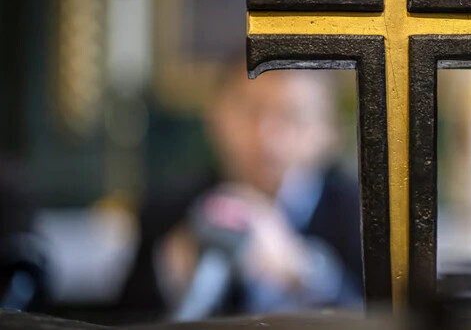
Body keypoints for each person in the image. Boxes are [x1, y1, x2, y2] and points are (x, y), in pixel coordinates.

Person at [120, 65, 362, 319]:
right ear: (214, 116)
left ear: (330, 132)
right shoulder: (165, 209)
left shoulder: (364, 215)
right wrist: (167, 272)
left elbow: (387, 315)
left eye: (294, 117)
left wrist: (302, 271)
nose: (267, 137)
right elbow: (121, 317)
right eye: (250, 111)